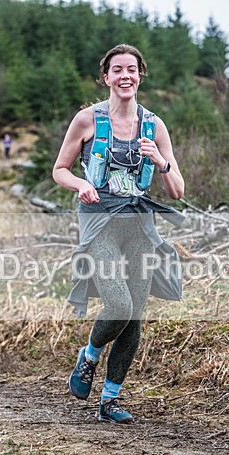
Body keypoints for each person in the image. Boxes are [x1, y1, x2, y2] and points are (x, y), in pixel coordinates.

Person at [52, 44, 185, 424]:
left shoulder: (154, 126)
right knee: (120, 305)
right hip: (99, 225)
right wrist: (79, 184)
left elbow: (176, 189)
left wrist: (161, 162)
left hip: (139, 228)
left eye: (131, 70)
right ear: (106, 77)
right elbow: (59, 169)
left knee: (135, 317)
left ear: (140, 75)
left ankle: (109, 401)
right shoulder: (86, 120)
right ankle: (89, 356)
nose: (125, 76)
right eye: (117, 70)